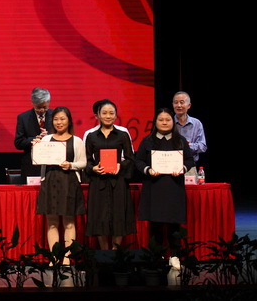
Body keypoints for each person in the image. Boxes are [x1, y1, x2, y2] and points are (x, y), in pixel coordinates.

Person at [136, 108, 194, 267]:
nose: (164, 123)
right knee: (155, 224)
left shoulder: (180, 140)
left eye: (167, 120)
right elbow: (138, 161)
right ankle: (157, 256)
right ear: (155, 122)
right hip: (154, 187)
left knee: (174, 224)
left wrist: (182, 168)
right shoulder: (147, 141)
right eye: (161, 120)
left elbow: (190, 160)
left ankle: (174, 256)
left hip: (174, 187)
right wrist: (148, 169)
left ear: (172, 122)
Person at [33, 107, 86, 263]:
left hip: (69, 181)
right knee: (52, 222)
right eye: (56, 119)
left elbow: (83, 162)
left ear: (69, 121)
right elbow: (37, 160)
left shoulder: (77, 141)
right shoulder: (46, 139)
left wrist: (71, 165)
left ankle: (68, 258)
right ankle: (54, 257)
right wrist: (36, 147)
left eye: (62, 119)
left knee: (69, 221)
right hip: (50, 181)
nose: (59, 122)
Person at [84, 100, 135, 250]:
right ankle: (104, 253)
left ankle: (115, 252)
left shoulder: (123, 135)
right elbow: (87, 160)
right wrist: (93, 168)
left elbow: (130, 158)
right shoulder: (91, 136)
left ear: (116, 115)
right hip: (98, 182)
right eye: (104, 113)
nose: (108, 116)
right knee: (100, 217)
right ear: (98, 116)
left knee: (118, 216)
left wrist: (120, 165)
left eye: (111, 113)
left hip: (117, 181)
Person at [14, 88, 54, 177]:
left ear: (49, 102)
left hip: (52, 165)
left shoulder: (56, 116)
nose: (42, 110)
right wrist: (34, 139)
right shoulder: (23, 118)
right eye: (38, 107)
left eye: (45, 107)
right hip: (31, 167)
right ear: (33, 103)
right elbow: (18, 143)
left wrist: (48, 137)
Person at [172, 91, 207, 172]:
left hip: (190, 166)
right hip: (171, 165)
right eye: (176, 102)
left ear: (189, 105)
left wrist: (188, 146)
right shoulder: (169, 122)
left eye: (182, 102)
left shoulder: (196, 123)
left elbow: (203, 146)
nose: (179, 105)